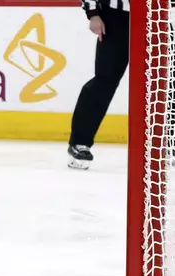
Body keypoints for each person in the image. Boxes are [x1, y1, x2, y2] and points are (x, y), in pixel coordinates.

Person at [68, 0, 129, 169]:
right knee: (104, 81)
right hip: (116, 19)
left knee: (166, 82)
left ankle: (168, 142)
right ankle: (80, 142)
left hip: (159, 18)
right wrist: (93, 14)